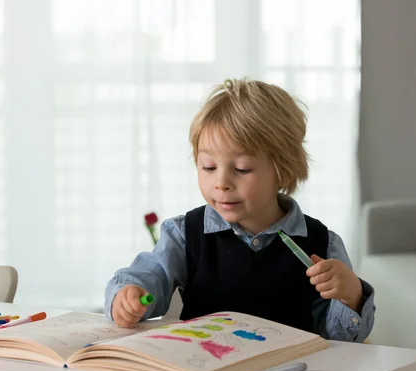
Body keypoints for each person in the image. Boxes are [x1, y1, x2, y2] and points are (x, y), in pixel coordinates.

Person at [104, 78, 375, 342]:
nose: (221, 183)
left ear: (283, 169)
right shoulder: (185, 234)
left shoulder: (322, 244)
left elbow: (343, 339)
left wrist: (351, 294)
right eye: (208, 167)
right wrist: (129, 294)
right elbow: (150, 276)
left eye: (242, 169)